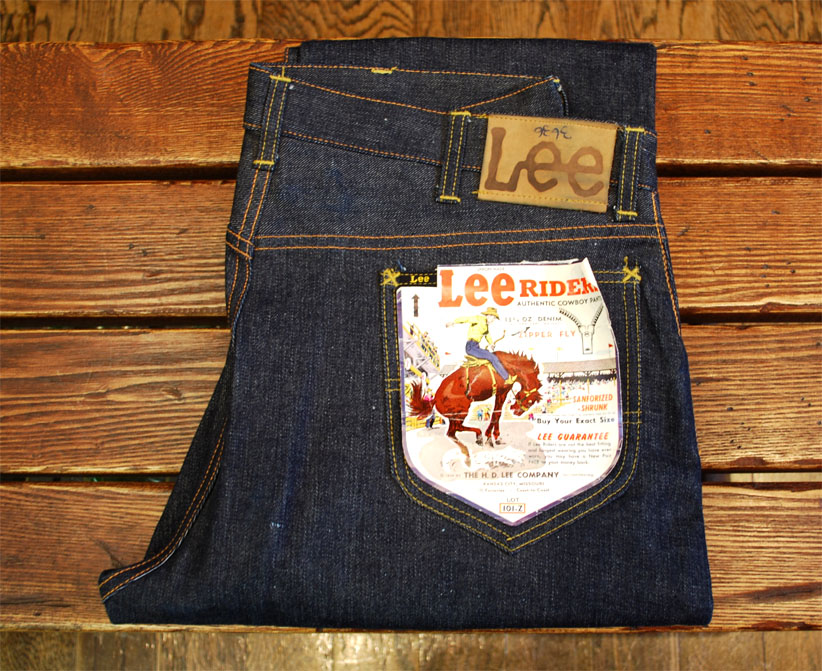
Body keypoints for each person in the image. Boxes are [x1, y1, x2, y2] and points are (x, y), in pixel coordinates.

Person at [446, 307, 515, 385]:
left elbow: (487, 335)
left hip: (476, 346)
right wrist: (453, 322)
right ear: (489, 316)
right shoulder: (478, 319)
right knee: (493, 358)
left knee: (490, 355)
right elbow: (466, 319)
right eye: (493, 317)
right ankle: (507, 378)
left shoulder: (486, 326)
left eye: (495, 318)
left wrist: (491, 343)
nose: (493, 320)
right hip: (471, 347)